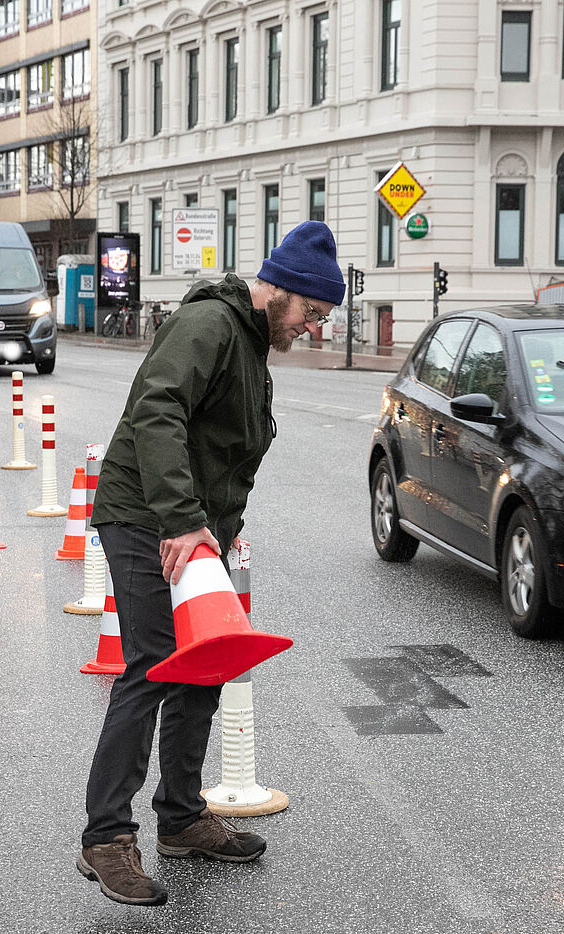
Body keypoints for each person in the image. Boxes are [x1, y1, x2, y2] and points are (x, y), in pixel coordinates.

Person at [77, 221, 345, 906]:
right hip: (146, 515)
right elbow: (156, 411)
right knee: (152, 665)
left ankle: (181, 815)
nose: (314, 327)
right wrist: (183, 521)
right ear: (280, 292)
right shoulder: (212, 325)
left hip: (193, 528)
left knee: (207, 662)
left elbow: (220, 453)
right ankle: (105, 838)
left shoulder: (252, 345)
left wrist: (210, 533)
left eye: (321, 318)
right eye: (312, 313)